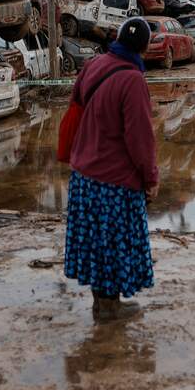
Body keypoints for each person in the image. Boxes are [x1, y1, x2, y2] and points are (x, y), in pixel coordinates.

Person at [64, 17, 159, 320]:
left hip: (84, 177)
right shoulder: (133, 80)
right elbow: (140, 139)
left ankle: (101, 304)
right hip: (114, 182)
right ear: (145, 47)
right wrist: (151, 178)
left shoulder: (94, 64)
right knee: (114, 248)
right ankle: (108, 309)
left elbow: (76, 102)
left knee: (96, 246)